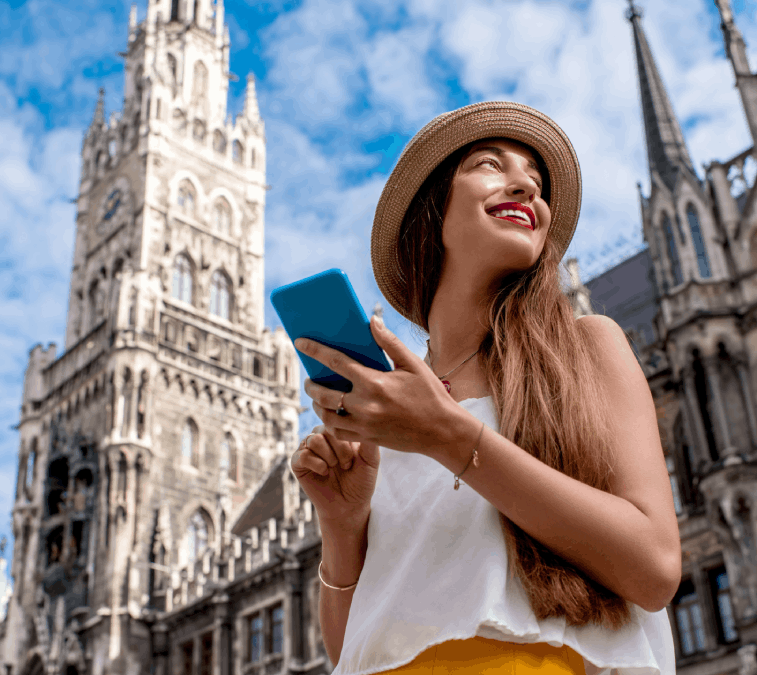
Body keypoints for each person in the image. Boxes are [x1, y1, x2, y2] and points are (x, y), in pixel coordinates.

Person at [289, 101, 680, 675]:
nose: (525, 184)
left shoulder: (588, 347)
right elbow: (354, 650)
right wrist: (343, 525)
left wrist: (449, 436)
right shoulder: (390, 410)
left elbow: (654, 567)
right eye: (490, 164)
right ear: (432, 212)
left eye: (538, 181)